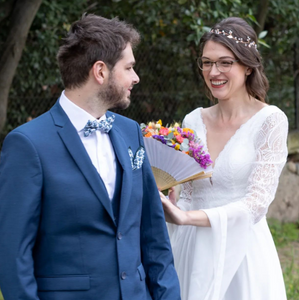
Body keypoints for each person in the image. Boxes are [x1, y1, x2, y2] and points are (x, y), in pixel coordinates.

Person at [0, 14, 180, 300]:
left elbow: (153, 233)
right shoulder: (27, 144)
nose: (136, 77)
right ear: (100, 71)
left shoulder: (131, 132)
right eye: (129, 67)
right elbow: (13, 253)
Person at [160, 17, 288, 300]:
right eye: (206, 62)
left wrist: (187, 217)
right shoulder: (193, 120)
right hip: (191, 248)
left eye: (225, 62)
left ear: (248, 66)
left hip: (242, 251)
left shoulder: (271, 120)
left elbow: (256, 205)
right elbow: (187, 191)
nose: (213, 71)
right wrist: (169, 198)